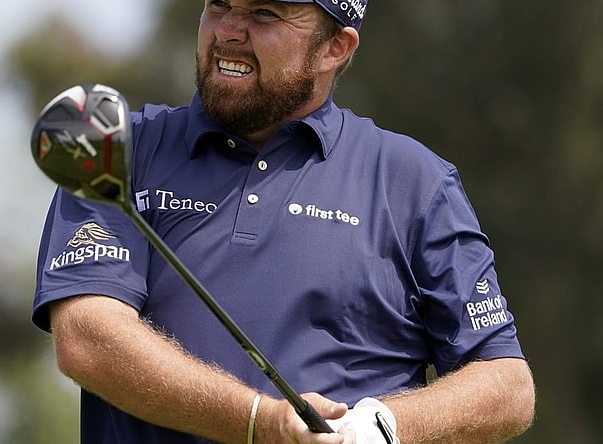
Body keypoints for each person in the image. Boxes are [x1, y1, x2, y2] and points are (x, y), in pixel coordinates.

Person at [31, 0, 536, 442]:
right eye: (220, 3)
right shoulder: (117, 151)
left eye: (265, 13)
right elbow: (88, 340)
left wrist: (377, 426)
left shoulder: (413, 181)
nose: (228, 30)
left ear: (334, 47)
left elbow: (506, 385)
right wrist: (257, 421)